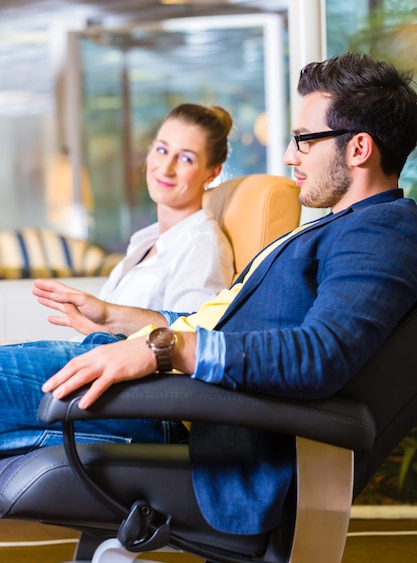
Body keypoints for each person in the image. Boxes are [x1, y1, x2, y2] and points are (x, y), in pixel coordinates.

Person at [2, 52, 417, 536]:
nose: (289, 155)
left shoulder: (382, 231)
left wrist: (164, 350)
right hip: (165, 395)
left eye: (303, 140)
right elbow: (222, 320)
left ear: (359, 148)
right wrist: (118, 317)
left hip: (180, 414)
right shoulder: (339, 226)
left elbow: (323, 353)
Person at [38, 103, 235, 330]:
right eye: (162, 150)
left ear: (213, 172)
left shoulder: (201, 247)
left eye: (185, 159)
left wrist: (105, 330)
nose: (166, 168)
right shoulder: (146, 241)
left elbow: (187, 341)